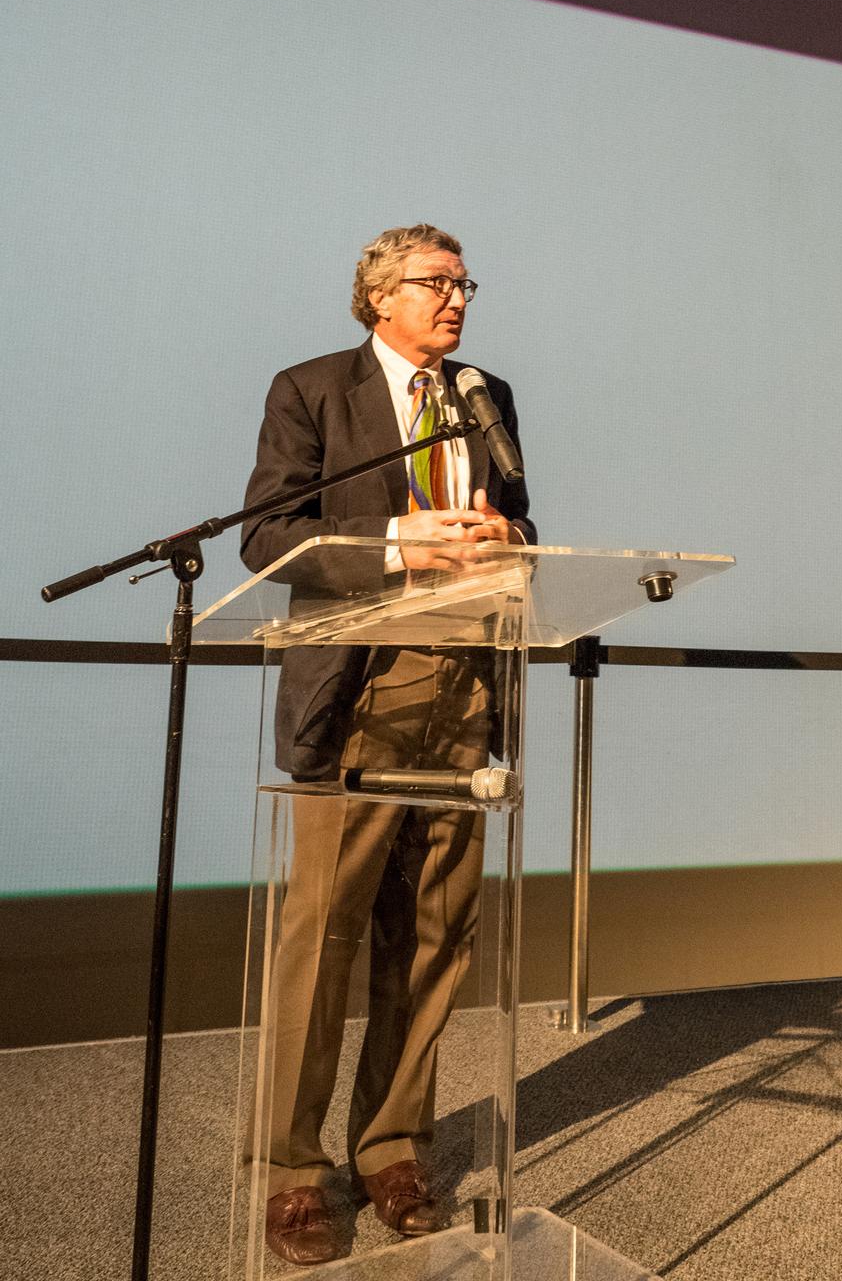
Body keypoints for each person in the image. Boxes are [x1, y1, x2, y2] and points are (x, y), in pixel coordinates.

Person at [240, 223, 535, 1265]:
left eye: (464, 284)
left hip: (466, 687)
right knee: (324, 935)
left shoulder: (485, 396)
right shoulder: (315, 391)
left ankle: (394, 1148)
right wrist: (401, 542)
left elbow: (523, 521)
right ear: (380, 295)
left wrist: (508, 540)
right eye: (436, 283)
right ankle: (291, 1168)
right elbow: (267, 538)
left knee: (435, 934)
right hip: (362, 688)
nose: (457, 299)